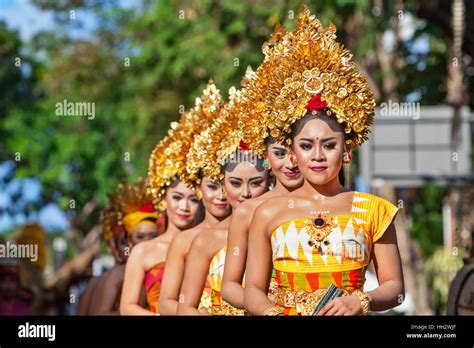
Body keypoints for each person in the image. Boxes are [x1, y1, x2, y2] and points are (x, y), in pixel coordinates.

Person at [244, 7, 404, 316]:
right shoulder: (267, 212)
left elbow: (395, 289)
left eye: (329, 145)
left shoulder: (375, 210)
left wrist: (359, 300)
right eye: (306, 145)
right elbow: (252, 289)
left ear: (347, 148)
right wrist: (272, 313)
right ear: (293, 152)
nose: (317, 155)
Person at [220, 25, 304, 309]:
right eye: (280, 153)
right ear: (265, 157)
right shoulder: (248, 212)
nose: (290, 163)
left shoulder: (338, 203)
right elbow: (230, 286)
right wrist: (271, 309)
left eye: (299, 150)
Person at [121, 82, 221, 315]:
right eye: (177, 198)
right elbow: (127, 308)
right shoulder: (144, 252)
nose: (185, 207)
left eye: (193, 199)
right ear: (163, 198)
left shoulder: (213, 241)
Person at [177, 87, 271, 315]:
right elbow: (184, 308)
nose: (245, 193)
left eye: (255, 183)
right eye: (236, 183)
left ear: (270, 180)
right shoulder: (207, 241)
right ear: (223, 184)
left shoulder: (283, 228)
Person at [159, 90, 232, 314]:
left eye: (227, 186)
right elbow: (166, 302)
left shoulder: (252, 230)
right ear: (198, 188)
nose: (220, 196)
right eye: (212, 187)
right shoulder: (185, 241)